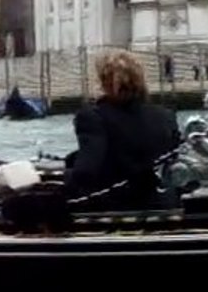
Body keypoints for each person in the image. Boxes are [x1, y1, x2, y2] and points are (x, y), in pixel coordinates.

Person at [63, 49, 181, 209]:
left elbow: (87, 172)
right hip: (163, 203)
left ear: (104, 82)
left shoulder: (92, 117)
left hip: (115, 206)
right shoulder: (165, 116)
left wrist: (64, 177)